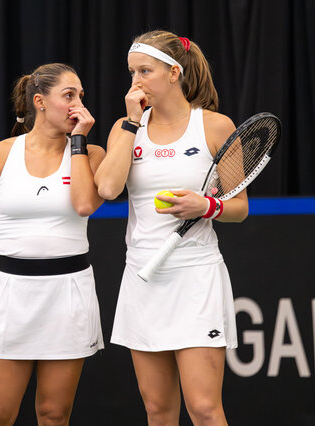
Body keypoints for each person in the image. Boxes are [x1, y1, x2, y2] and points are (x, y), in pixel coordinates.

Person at [94, 30, 243, 426]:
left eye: (145, 70)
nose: (135, 82)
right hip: (142, 278)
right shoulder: (124, 127)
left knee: (205, 410)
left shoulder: (214, 126)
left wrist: (206, 205)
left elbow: (240, 207)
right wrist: (130, 122)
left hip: (195, 276)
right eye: (131, 73)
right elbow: (107, 188)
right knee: (158, 412)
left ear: (174, 72)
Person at [0, 63, 105, 426]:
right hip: (11, 297)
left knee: (54, 416)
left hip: (68, 295)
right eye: (68, 96)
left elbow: (86, 204)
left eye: (81, 97)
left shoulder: (94, 155)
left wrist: (80, 142)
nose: (78, 106)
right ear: (39, 101)